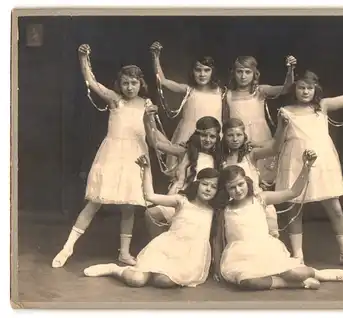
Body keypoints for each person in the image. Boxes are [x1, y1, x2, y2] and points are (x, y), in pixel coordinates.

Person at [52, 44, 156, 268]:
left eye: (134, 83)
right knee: (94, 202)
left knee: (129, 206)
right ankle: (67, 247)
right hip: (112, 154)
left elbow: (154, 136)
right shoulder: (114, 99)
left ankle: (124, 253)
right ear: (120, 84)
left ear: (141, 84)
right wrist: (83, 58)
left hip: (135, 155)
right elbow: (91, 81)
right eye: (126, 83)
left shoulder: (146, 105)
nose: (130, 87)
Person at [274, 60, 343, 268]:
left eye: (309, 88)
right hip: (294, 161)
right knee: (294, 208)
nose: (305, 91)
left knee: (335, 208)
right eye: (301, 87)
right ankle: (297, 255)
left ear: (315, 90)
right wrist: (282, 125)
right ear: (295, 89)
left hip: (322, 161)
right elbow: (278, 141)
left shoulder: (322, 106)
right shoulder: (285, 111)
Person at [212, 150, 343, 290]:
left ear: (246, 181)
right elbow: (217, 241)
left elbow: (293, 192)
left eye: (240, 184)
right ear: (225, 190)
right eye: (232, 187)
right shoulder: (224, 210)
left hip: (265, 250)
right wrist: (218, 268)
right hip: (240, 257)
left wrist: (306, 167)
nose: (237, 190)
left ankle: (318, 274)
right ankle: (296, 284)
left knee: (297, 273)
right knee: (249, 282)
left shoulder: (260, 199)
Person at [83, 156, 219, 289]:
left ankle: (154, 273)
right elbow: (150, 196)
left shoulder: (214, 210)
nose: (208, 189)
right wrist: (147, 170)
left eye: (213, 187)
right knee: (137, 280)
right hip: (168, 246)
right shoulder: (182, 201)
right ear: (197, 184)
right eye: (205, 184)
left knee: (163, 280)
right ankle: (114, 269)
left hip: (189, 257)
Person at [150, 41, 223, 170]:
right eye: (198, 70)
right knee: (186, 167)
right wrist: (156, 58)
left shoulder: (221, 92)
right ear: (193, 71)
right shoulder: (189, 90)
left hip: (212, 136)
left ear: (213, 72)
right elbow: (163, 81)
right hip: (189, 133)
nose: (202, 74)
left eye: (206, 70)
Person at [223, 55, 296, 184]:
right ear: (234, 73)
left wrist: (290, 70)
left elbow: (287, 88)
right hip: (238, 138)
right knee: (241, 173)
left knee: (263, 173)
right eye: (239, 72)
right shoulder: (228, 94)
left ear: (254, 74)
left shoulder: (260, 91)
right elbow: (225, 120)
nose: (243, 76)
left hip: (260, 136)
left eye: (247, 72)